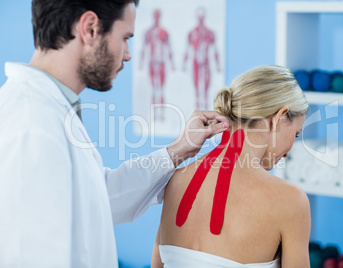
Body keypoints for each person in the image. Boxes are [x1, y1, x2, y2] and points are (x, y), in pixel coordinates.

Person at [0, 0, 229, 267]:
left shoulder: (52, 109)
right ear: (90, 29)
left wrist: (180, 148)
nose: (128, 54)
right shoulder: (32, 122)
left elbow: (100, 199)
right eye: (125, 38)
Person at [152, 65, 311, 268]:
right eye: (296, 134)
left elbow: (157, 264)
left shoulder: (176, 179)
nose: (289, 151)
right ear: (279, 117)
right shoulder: (290, 200)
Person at [139, 9, 175, 121]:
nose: (156, 17)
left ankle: (162, 114)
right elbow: (144, 48)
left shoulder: (164, 32)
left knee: (161, 89)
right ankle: (154, 114)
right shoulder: (148, 32)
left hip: (161, 63)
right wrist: (141, 62)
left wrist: (172, 63)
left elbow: (168, 48)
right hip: (152, 63)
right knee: (154, 89)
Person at [183, 7, 220, 110]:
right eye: (199, 16)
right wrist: (184, 63)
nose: (200, 18)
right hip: (196, 63)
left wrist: (217, 64)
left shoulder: (210, 33)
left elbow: (215, 49)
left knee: (206, 86)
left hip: (206, 62)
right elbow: (187, 49)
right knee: (196, 86)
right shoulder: (192, 33)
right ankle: (198, 107)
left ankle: (206, 107)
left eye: (202, 16)